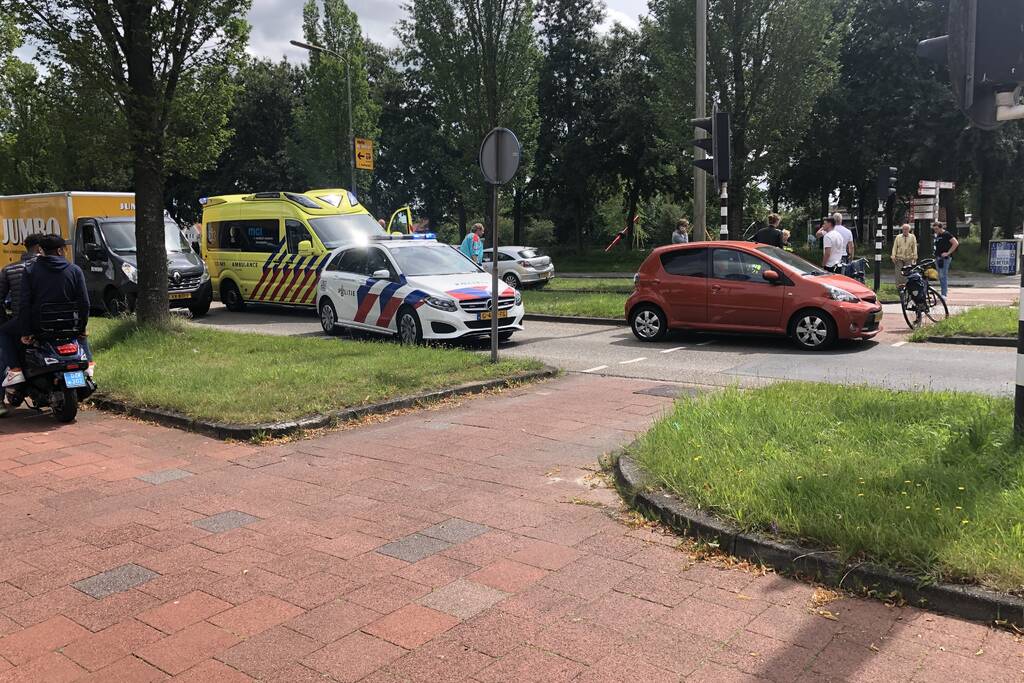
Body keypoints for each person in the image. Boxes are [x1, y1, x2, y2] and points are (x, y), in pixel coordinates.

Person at [11, 235, 91, 387]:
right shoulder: (74, 270)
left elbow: (24, 304)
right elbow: (84, 303)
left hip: (40, 328)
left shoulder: (30, 271)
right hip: (70, 326)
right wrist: (81, 327)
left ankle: (16, 383)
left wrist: (26, 332)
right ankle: (89, 368)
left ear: (42, 250)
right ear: (60, 250)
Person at [0, 235, 43, 402]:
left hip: (21, 322)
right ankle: (89, 364)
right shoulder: (52, 269)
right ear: (40, 248)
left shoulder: (10, 269)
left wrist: (4, 319)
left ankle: (15, 370)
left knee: (3, 338)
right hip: (53, 323)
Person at [932, 221, 958, 297]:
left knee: (943, 275)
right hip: (938, 257)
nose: (935, 231)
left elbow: (955, 243)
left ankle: (944, 294)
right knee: (940, 276)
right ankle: (942, 292)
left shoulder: (946, 234)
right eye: (934, 229)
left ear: (941, 228)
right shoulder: (937, 235)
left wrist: (948, 253)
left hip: (944, 258)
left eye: (937, 229)